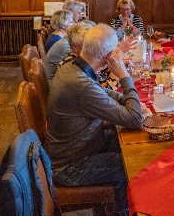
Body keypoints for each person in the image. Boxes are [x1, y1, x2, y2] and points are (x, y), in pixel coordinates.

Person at [46, 23, 142, 216]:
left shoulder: (72, 67)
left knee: (134, 146)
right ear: (108, 56)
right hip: (68, 167)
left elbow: (105, 94)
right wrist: (124, 76)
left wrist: (126, 100)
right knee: (129, 162)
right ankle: (120, 212)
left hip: (81, 147)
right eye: (115, 50)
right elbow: (134, 119)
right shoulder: (79, 84)